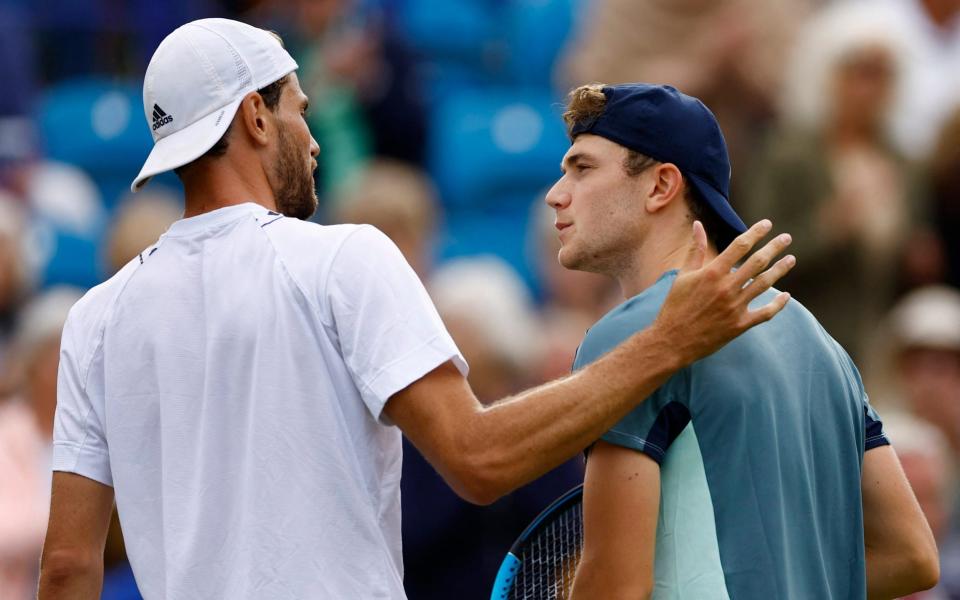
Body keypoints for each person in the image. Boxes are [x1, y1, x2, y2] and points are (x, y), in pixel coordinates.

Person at [37, 20, 794, 600]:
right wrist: (668, 341)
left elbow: (69, 567)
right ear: (255, 120)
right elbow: (479, 459)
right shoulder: (342, 259)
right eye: (299, 112)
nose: (314, 142)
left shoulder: (96, 317)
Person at [554, 83, 939, 599]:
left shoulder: (631, 335)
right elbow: (911, 557)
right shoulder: (819, 340)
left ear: (660, 186)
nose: (557, 193)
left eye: (583, 168)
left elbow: (616, 587)